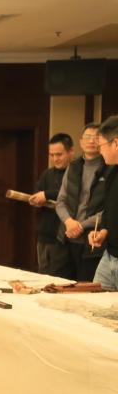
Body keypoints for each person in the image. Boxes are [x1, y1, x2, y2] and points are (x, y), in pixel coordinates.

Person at [56, 123, 109, 281]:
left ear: (102, 141)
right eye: (87, 137)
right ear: (80, 142)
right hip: (67, 237)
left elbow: (110, 209)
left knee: (86, 285)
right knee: (60, 284)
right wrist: (69, 222)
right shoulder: (73, 166)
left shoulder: (110, 168)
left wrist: (81, 225)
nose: (91, 141)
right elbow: (61, 201)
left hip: (92, 239)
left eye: (96, 137)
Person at [28, 133, 75, 277]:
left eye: (59, 154)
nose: (55, 159)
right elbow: (37, 193)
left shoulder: (76, 173)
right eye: (52, 155)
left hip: (64, 236)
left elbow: (69, 193)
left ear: (71, 152)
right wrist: (36, 200)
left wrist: (47, 194)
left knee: (59, 278)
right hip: (44, 234)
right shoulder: (47, 174)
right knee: (43, 275)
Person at [87, 116, 118, 289]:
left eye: (101, 146)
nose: (100, 151)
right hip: (109, 256)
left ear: (116, 143)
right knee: (94, 303)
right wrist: (104, 231)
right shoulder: (112, 172)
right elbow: (110, 210)